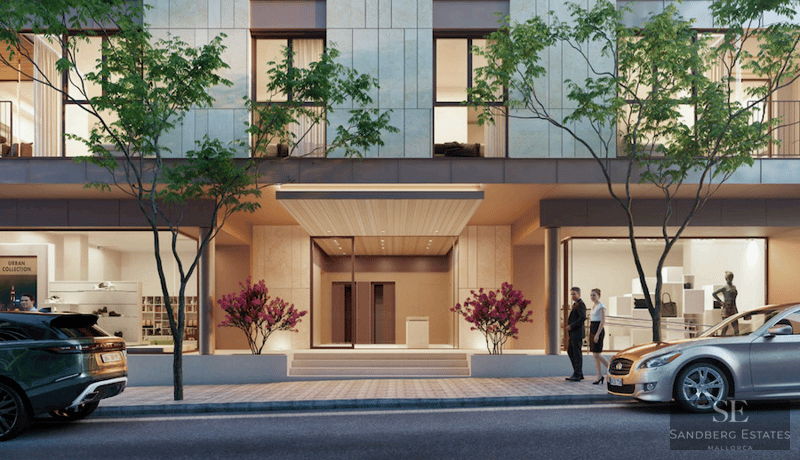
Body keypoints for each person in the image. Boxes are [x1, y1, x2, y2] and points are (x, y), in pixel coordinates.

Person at [565, 287, 586, 381]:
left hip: (577, 333)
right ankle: (578, 372)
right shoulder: (575, 304)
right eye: (571, 294)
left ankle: (577, 373)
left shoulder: (580, 304)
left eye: (574, 294)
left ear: (579, 294)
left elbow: (582, 318)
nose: (572, 296)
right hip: (573, 333)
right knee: (570, 351)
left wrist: (571, 326)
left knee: (576, 353)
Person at [588, 288, 608, 385]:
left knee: (598, 354)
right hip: (592, 329)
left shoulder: (601, 306)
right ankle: (599, 376)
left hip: (598, 330)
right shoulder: (593, 306)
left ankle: (610, 368)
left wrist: (597, 334)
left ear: (599, 296)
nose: (592, 297)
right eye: (591, 295)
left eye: (594, 295)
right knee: (595, 355)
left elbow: (602, 321)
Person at [713, 271, 738, 336]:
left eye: (731, 277)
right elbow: (714, 294)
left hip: (733, 308)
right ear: (726, 278)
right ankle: (721, 339)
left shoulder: (734, 287)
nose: (730, 279)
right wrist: (721, 302)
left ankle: (737, 339)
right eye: (729, 277)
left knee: (736, 327)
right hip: (726, 308)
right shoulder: (724, 287)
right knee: (725, 327)